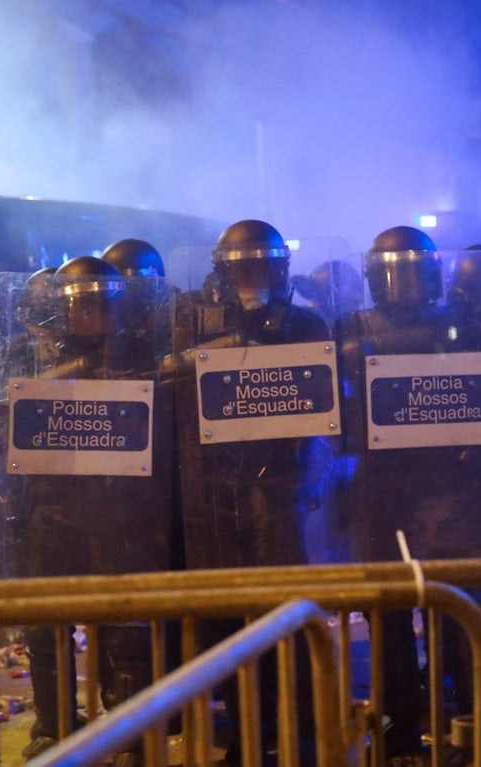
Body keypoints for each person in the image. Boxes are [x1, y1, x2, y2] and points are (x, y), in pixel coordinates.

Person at [338, 226, 481, 762]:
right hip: (385, 488)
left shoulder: (461, 325)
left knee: (456, 610)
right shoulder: (351, 330)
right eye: (395, 273)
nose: (405, 285)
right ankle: (396, 733)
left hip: (448, 487)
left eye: (415, 271)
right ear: (374, 278)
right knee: (389, 619)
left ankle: (464, 725)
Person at [172, 219, 337, 763]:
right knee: (227, 614)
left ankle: (296, 725)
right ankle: (246, 726)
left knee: (280, 610)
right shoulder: (196, 327)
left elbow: (322, 403)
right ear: (222, 273)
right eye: (243, 269)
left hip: (283, 487)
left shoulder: (307, 324)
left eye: (262, 267)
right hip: (218, 491)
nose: (253, 278)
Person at [21, 253, 175, 761]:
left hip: (120, 509)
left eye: (101, 309)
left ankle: (129, 731)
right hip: (56, 510)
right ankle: (55, 724)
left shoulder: (141, 359)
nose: (93, 320)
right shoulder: (35, 361)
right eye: (81, 309)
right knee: (46, 624)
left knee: (125, 625)